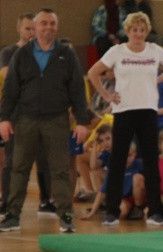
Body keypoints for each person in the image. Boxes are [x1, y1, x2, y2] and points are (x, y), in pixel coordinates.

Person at [0, 8, 91, 234]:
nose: (48, 27)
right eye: (43, 23)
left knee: (59, 169)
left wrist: (82, 121)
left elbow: (78, 90)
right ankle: (12, 215)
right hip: (25, 119)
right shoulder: (21, 55)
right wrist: (4, 119)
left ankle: (66, 216)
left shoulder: (66, 54)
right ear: (36, 27)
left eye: (52, 23)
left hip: (56, 119)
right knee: (19, 167)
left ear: (56, 27)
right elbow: (10, 89)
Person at [87, 11, 163, 227]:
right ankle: (111, 212)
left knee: (150, 161)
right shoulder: (117, 51)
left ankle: (155, 211)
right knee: (117, 160)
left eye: (142, 30)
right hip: (123, 111)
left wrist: (158, 79)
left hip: (148, 110)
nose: (138, 34)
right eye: (134, 30)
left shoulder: (154, 50)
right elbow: (93, 73)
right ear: (127, 31)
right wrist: (107, 95)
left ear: (146, 31)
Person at [0, 12, 54, 218]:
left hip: (42, 111)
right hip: (17, 113)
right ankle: (6, 201)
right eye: (28, 29)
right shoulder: (10, 52)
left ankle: (46, 200)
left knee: (44, 157)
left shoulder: (46, 51)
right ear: (19, 29)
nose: (32, 32)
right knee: (13, 159)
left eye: (35, 28)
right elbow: (7, 75)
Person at [82, 143, 144, 220]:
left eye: (129, 155)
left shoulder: (140, 164)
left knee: (138, 177)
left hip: (140, 198)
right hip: (124, 198)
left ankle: (138, 208)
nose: (125, 158)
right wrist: (92, 213)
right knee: (124, 209)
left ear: (134, 154)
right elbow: (102, 192)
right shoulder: (114, 169)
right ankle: (119, 221)